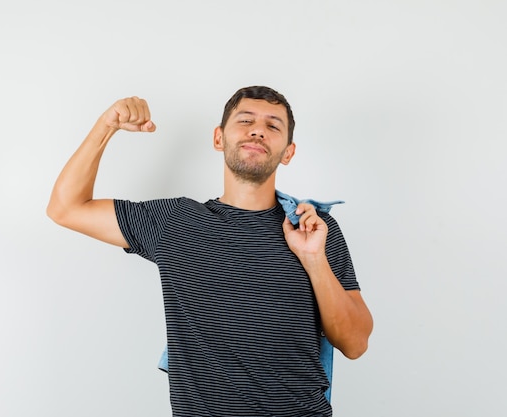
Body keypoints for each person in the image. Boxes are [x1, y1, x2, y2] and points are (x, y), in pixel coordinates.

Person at [47, 86, 373, 416]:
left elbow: (355, 343)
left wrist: (314, 259)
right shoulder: (174, 221)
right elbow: (66, 208)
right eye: (245, 120)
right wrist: (107, 125)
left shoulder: (312, 229)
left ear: (287, 152)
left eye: (273, 126)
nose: (258, 129)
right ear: (219, 138)